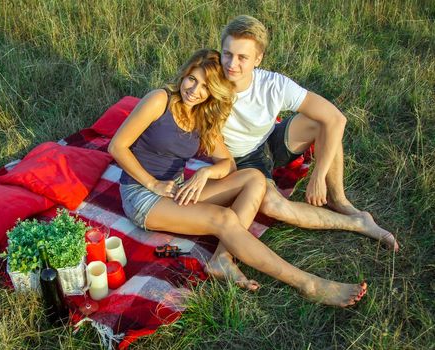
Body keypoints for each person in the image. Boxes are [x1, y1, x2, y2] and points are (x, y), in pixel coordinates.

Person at [109, 49, 367, 307]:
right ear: (184, 74)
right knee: (224, 218)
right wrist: (152, 183)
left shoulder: (202, 116)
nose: (194, 90)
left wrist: (205, 172)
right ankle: (308, 284)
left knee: (254, 178)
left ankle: (222, 259)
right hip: (141, 194)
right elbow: (117, 146)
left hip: (175, 188)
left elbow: (227, 163)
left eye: (205, 86)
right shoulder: (160, 100)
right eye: (192, 79)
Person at [212, 16, 399, 278]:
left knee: (320, 122)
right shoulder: (210, 80)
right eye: (228, 54)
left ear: (258, 59)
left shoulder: (273, 84)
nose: (232, 64)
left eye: (243, 57)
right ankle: (357, 223)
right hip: (240, 159)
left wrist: (318, 176)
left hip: (269, 139)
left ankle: (338, 200)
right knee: (273, 206)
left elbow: (336, 119)